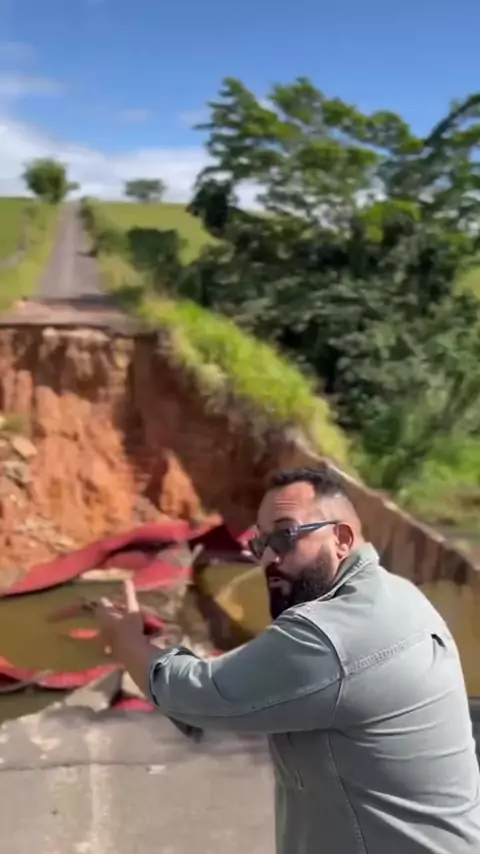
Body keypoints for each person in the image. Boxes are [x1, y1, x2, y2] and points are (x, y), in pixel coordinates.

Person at [95, 465, 480, 853]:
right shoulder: (397, 596)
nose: (268, 559)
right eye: (260, 545)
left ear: (342, 538)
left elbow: (200, 697)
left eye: (284, 537)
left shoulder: (331, 633)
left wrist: (126, 642)